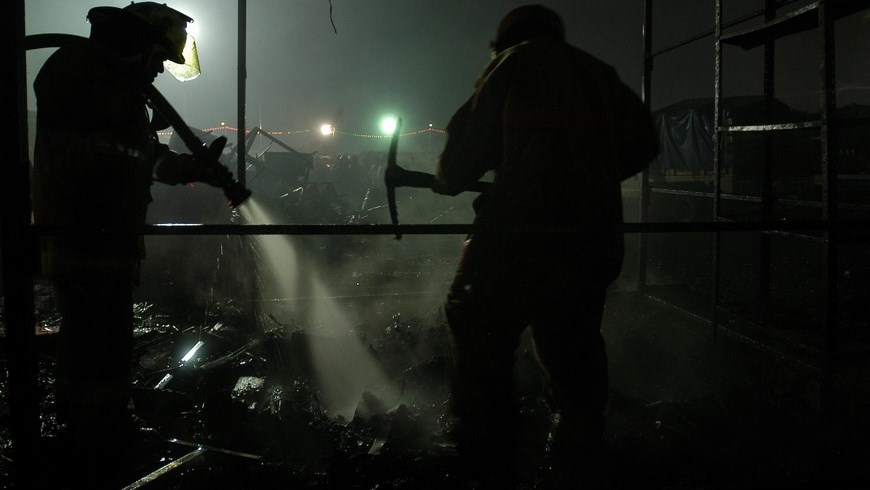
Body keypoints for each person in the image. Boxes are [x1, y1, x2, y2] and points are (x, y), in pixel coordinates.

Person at [433, 5, 659, 488]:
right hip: (590, 240)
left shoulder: (513, 63)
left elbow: (457, 166)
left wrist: (494, 176)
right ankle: (578, 458)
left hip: (519, 238)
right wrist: (588, 178)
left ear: (504, 41)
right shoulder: (599, 73)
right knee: (572, 343)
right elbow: (644, 142)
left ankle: (489, 461)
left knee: (474, 326)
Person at [31, 3, 236, 486]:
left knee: (103, 333)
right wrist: (169, 158)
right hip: (85, 231)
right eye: (159, 58)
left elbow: (143, 156)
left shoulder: (104, 79)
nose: (160, 70)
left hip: (103, 231)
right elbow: (123, 154)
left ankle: (100, 427)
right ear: (137, 43)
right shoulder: (83, 72)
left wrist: (190, 168)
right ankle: (93, 441)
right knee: (94, 335)